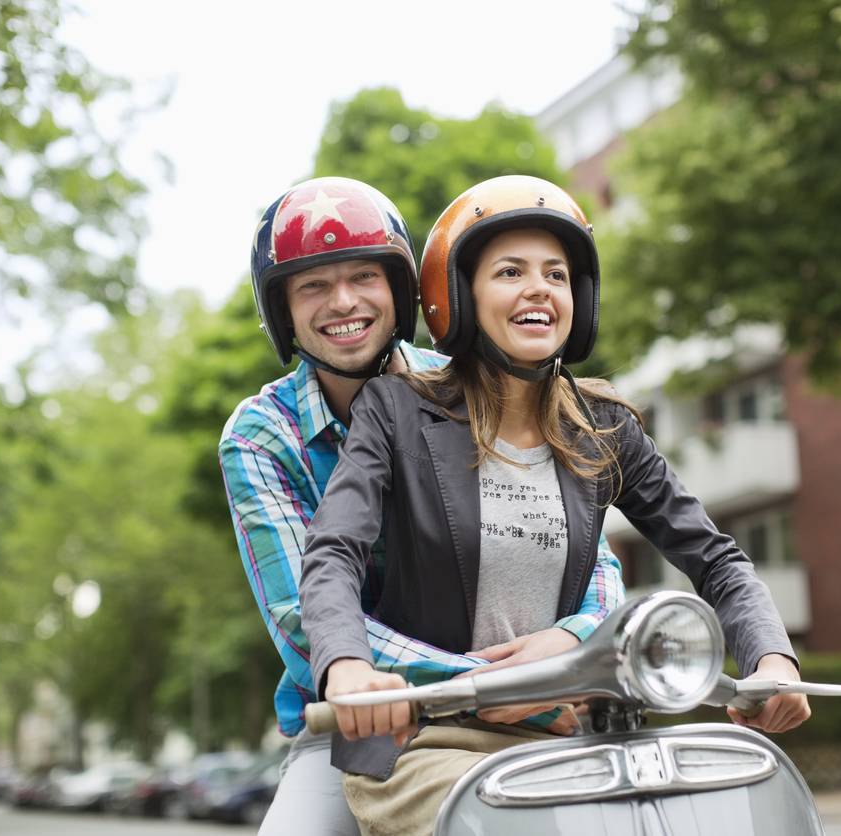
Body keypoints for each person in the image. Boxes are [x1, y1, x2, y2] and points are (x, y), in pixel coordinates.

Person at [300, 175, 811, 836]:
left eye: (558, 274)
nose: (539, 288)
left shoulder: (603, 428)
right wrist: (346, 668)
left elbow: (716, 559)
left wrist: (773, 660)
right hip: (424, 744)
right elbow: (333, 549)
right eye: (510, 271)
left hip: (565, 737)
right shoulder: (396, 410)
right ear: (457, 296)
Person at [219, 176, 626, 835]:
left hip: (538, 707)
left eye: (363, 277)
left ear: (404, 291)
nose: (343, 301)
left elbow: (584, 546)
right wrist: (492, 684)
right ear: (283, 311)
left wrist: (570, 643)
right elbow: (303, 617)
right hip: (366, 723)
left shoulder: (474, 384)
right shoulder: (261, 435)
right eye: (313, 286)